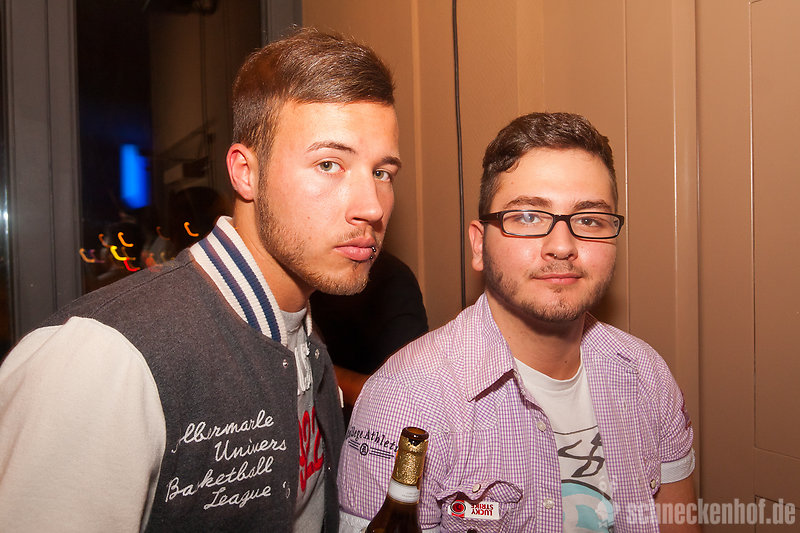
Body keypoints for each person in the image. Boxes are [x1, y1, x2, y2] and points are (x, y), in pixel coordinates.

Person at [0, 28, 401, 532]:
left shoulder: (303, 339)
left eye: (383, 172)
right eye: (329, 164)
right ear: (245, 173)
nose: (371, 207)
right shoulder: (103, 360)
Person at [338, 112, 698, 532]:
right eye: (528, 217)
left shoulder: (647, 375)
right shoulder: (406, 401)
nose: (561, 246)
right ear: (479, 245)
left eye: (589, 220)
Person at [310, 250, 428, 421]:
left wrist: (315, 368)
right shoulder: (301, 279)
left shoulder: (392, 280)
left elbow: (400, 393)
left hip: (364, 427)